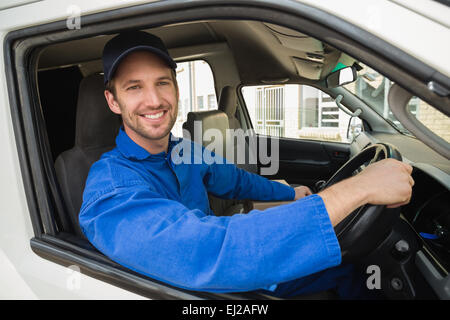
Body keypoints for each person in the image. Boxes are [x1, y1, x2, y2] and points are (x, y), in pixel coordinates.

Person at [79, 31, 414, 298]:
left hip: (230, 276)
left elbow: (236, 181)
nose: (154, 100)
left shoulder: (183, 151)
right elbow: (211, 250)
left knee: (345, 266)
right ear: (113, 100)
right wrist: (359, 188)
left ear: (176, 88)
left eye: (162, 82)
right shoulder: (110, 191)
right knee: (348, 267)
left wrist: (291, 194)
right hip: (207, 294)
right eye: (134, 87)